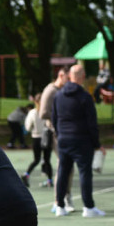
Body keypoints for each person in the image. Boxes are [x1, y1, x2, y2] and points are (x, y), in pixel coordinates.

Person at [51, 64, 106, 217]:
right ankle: (88, 207)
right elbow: (91, 124)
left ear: (69, 76)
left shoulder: (59, 95)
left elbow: (54, 118)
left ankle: (60, 206)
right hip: (81, 140)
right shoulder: (85, 97)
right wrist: (96, 144)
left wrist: (60, 133)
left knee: (63, 172)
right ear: (82, 77)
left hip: (63, 139)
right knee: (84, 173)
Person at [40, 67, 73, 211]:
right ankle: (60, 199)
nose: (69, 81)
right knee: (64, 165)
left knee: (68, 165)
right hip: (54, 132)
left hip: (64, 131)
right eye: (68, 77)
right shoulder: (51, 91)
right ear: (61, 75)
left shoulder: (63, 91)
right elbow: (43, 113)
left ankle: (66, 196)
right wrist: (61, 117)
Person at [21, 94, 53, 187]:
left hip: (36, 138)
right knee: (47, 160)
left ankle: (26, 174)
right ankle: (49, 180)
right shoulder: (48, 111)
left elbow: (27, 127)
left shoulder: (33, 113)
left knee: (36, 159)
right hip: (47, 137)